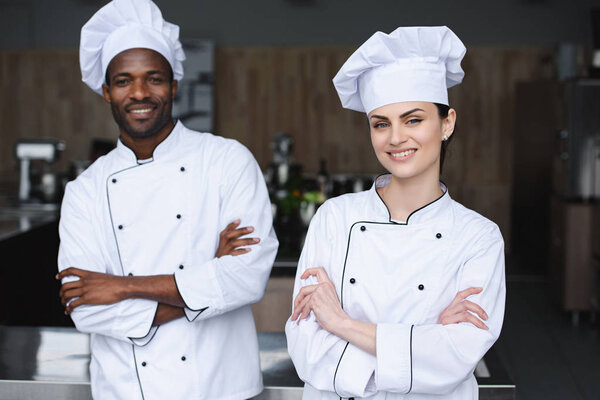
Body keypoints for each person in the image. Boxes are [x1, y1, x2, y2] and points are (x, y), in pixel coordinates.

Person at [55, 0, 278, 399]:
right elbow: (87, 308)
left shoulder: (226, 160)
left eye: (153, 78)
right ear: (107, 92)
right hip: (127, 390)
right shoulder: (85, 190)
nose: (139, 92)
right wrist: (209, 280)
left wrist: (122, 287)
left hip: (220, 386)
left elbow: (246, 278)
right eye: (123, 81)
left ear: (174, 85)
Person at [285, 26, 505, 399]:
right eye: (381, 124)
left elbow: (456, 357)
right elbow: (306, 346)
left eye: (414, 119)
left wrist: (339, 322)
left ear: (447, 123)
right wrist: (422, 344)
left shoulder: (478, 236)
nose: (396, 138)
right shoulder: (334, 218)